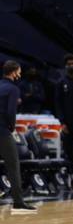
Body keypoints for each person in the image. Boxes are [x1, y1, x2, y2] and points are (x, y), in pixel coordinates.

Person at [0, 60, 36, 213]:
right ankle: (18, 202)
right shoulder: (13, 89)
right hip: (2, 131)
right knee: (13, 166)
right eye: (19, 71)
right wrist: (11, 126)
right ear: (14, 72)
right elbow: (10, 112)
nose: (20, 74)